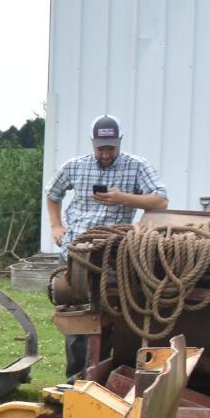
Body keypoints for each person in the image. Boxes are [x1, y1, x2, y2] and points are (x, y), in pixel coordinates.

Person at [45, 115, 169, 378]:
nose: (105, 153)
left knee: (110, 319)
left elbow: (161, 200)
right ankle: (76, 379)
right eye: (101, 148)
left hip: (112, 256)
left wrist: (124, 198)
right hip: (75, 253)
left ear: (119, 143)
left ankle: (101, 375)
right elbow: (53, 193)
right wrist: (56, 226)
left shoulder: (136, 166)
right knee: (78, 319)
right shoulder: (75, 166)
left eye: (111, 148)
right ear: (93, 143)